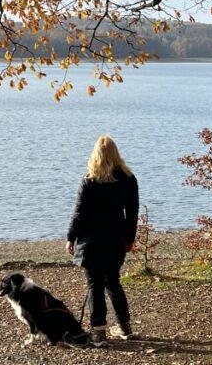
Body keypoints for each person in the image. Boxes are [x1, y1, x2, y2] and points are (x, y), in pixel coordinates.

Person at [66, 134, 138, 347]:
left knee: (94, 285)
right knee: (113, 282)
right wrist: (130, 239)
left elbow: (79, 213)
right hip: (115, 240)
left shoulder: (89, 180)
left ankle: (99, 333)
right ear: (116, 154)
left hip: (91, 241)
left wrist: (71, 237)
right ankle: (125, 327)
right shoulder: (128, 178)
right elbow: (132, 213)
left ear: (96, 155)